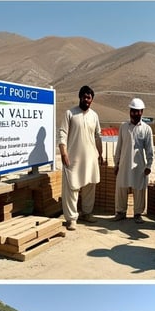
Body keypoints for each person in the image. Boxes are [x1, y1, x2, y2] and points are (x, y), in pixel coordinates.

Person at [59, 85, 103, 230]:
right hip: (73, 158)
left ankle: (87, 213)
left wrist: (100, 154)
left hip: (91, 158)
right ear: (80, 97)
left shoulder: (94, 116)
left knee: (90, 185)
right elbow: (63, 134)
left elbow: (98, 136)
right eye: (84, 97)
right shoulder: (70, 113)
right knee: (72, 187)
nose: (86, 100)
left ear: (92, 100)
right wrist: (63, 153)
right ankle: (71, 219)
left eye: (89, 97)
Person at [112, 98, 154, 224]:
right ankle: (120, 212)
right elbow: (119, 147)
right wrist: (116, 164)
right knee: (121, 187)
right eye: (133, 111)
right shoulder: (123, 127)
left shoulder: (146, 129)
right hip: (123, 164)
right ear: (130, 111)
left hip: (139, 166)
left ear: (142, 112)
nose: (135, 114)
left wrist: (149, 165)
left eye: (138, 111)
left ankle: (137, 214)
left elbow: (149, 149)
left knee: (139, 189)